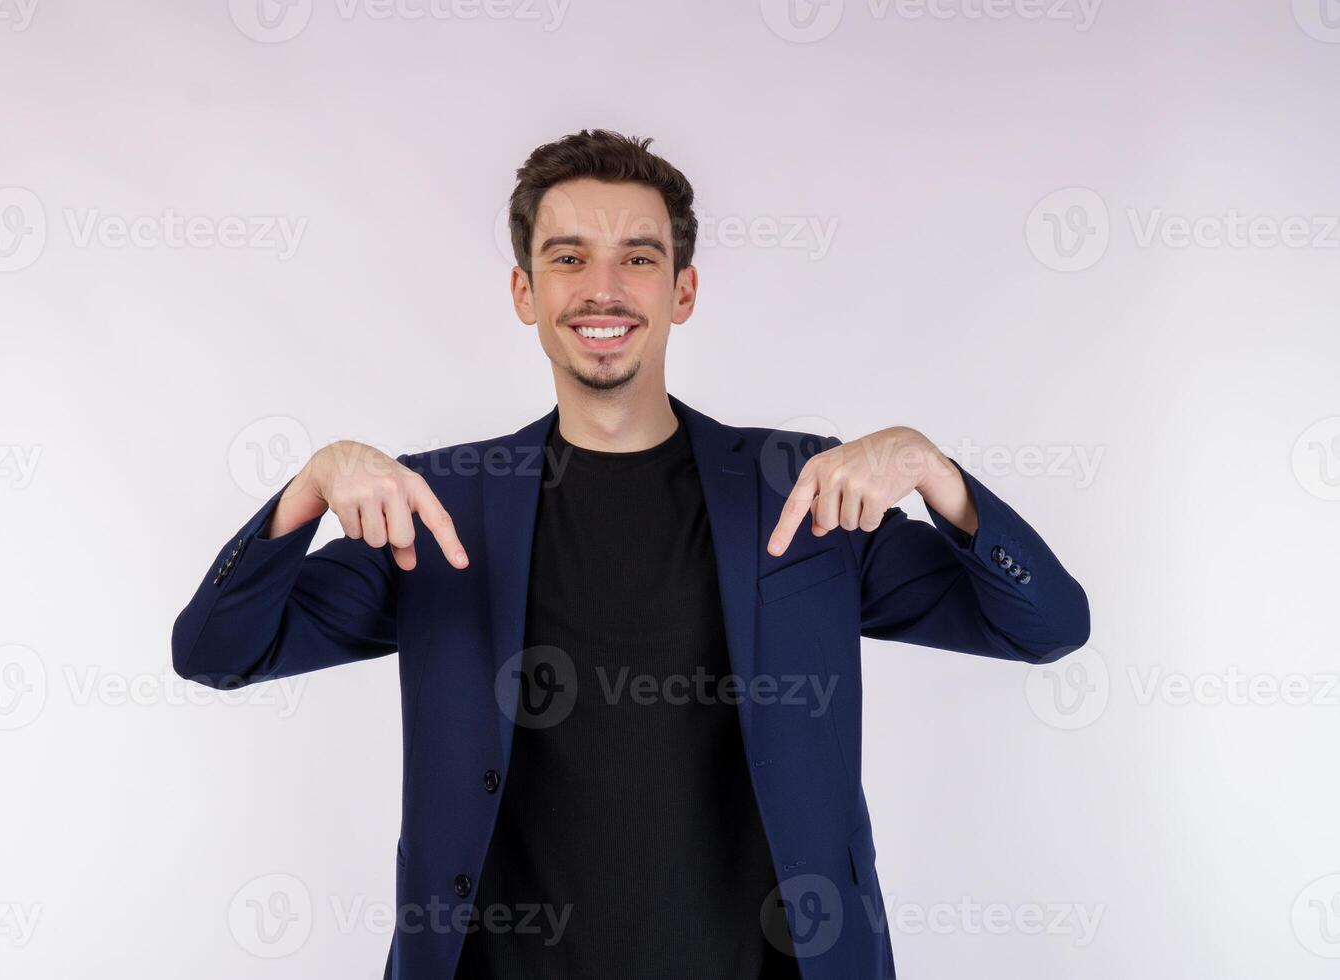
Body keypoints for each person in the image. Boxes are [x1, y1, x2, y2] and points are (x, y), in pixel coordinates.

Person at [172, 129, 1091, 980]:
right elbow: (216, 652)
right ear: (525, 291)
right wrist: (308, 490)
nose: (601, 289)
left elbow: (1047, 626)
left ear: (682, 290)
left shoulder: (803, 492)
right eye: (567, 257)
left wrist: (938, 475)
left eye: (637, 259)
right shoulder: (439, 508)